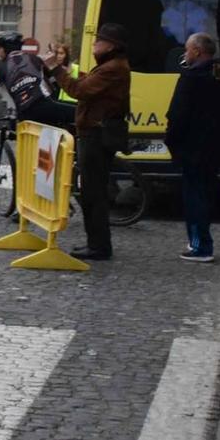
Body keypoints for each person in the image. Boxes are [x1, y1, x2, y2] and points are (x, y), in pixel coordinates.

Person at [47, 22, 134, 261]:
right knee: (92, 190)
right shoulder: (110, 66)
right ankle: (95, 243)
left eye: (99, 41)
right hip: (94, 132)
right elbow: (87, 84)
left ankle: (98, 246)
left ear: (111, 46)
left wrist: (56, 69)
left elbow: (79, 90)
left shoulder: (113, 68)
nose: (95, 45)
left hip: (96, 135)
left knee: (93, 192)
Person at [165, 32, 220, 263]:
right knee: (205, 194)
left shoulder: (190, 78)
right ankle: (200, 241)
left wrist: (171, 142)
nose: (185, 53)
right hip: (214, 147)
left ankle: (200, 245)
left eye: (188, 49)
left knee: (194, 197)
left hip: (192, 148)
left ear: (197, 52)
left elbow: (177, 115)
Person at [0, 32, 72, 130]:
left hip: (23, 114)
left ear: (6, 48)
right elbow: (52, 83)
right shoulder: (35, 59)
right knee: (80, 113)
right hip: (42, 106)